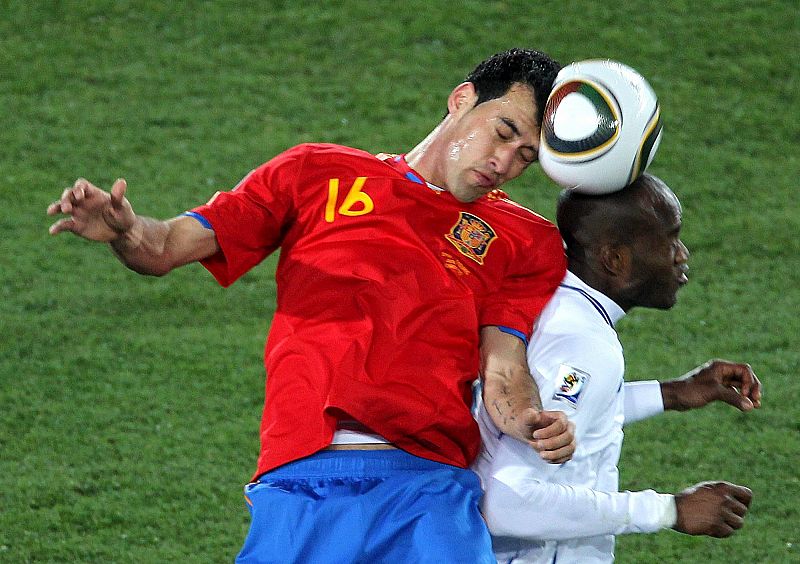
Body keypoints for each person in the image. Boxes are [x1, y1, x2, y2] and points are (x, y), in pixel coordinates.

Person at [47, 48, 577, 563]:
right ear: (462, 100)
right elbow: (164, 248)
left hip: (429, 492)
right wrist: (127, 231)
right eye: (503, 133)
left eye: (526, 156)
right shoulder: (315, 172)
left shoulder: (527, 240)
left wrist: (529, 420)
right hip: (304, 480)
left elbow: (504, 363)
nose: (504, 161)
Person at [473, 173, 761, 563]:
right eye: (670, 240)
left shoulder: (553, 304)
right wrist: (670, 510)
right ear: (614, 259)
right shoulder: (583, 344)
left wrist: (674, 393)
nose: (682, 254)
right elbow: (509, 501)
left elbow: (575, 401)